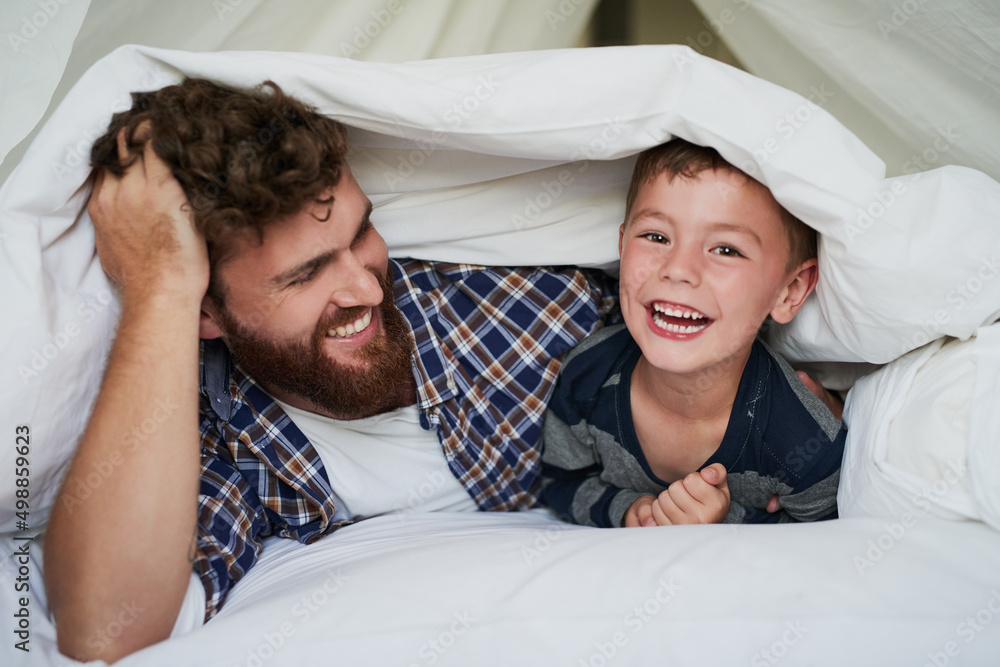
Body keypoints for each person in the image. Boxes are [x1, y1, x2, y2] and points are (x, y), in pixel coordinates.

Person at [43, 78, 616, 662]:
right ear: (208, 313)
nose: (367, 287)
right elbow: (106, 631)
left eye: (362, 232)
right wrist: (158, 289)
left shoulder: (518, 305)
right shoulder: (226, 436)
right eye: (304, 274)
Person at [540, 139, 846, 529]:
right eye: (656, 237)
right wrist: (629, 510)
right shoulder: (586, 376)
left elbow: (825, 539)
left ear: (789, 291)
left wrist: (724, 523)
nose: (679, 268)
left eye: (726, 250)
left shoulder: (802, 441)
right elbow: (562, 482)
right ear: (621, 245)